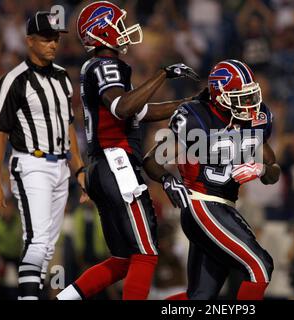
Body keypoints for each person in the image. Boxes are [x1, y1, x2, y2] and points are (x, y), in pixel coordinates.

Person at [56, 1, 199, 300]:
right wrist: (162, 75)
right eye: (117, 25)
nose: (123, 30)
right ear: (101, 32)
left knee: (123, 261)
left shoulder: (98, 67)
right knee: (146, 253)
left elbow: (141, 110)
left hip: (102, 167)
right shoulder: (107, 65)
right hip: (117, 163)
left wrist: (192, 103)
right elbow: (123, 108)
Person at [144, 59, 280, 299]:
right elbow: (152, 161)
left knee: (200, 297)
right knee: (260, 266)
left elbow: (273, 170)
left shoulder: (252, 119)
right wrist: (167, 179)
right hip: (201, 204)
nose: (249, 102)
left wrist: (260, 169)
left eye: (249, 94)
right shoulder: (197, 116)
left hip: (225, 208)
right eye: (240, 95)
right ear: (220, 95)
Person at [0, 11, 86, 300]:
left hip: (60, 165)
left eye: (55, 38)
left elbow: (68, 126)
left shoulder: (62, 78)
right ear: (30, 41)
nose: (53, 44)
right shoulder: (14, 79)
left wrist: (78, 169)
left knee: (48, 245)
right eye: (45, 39)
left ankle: (31, 295)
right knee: (38, 241)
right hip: (31, 163)